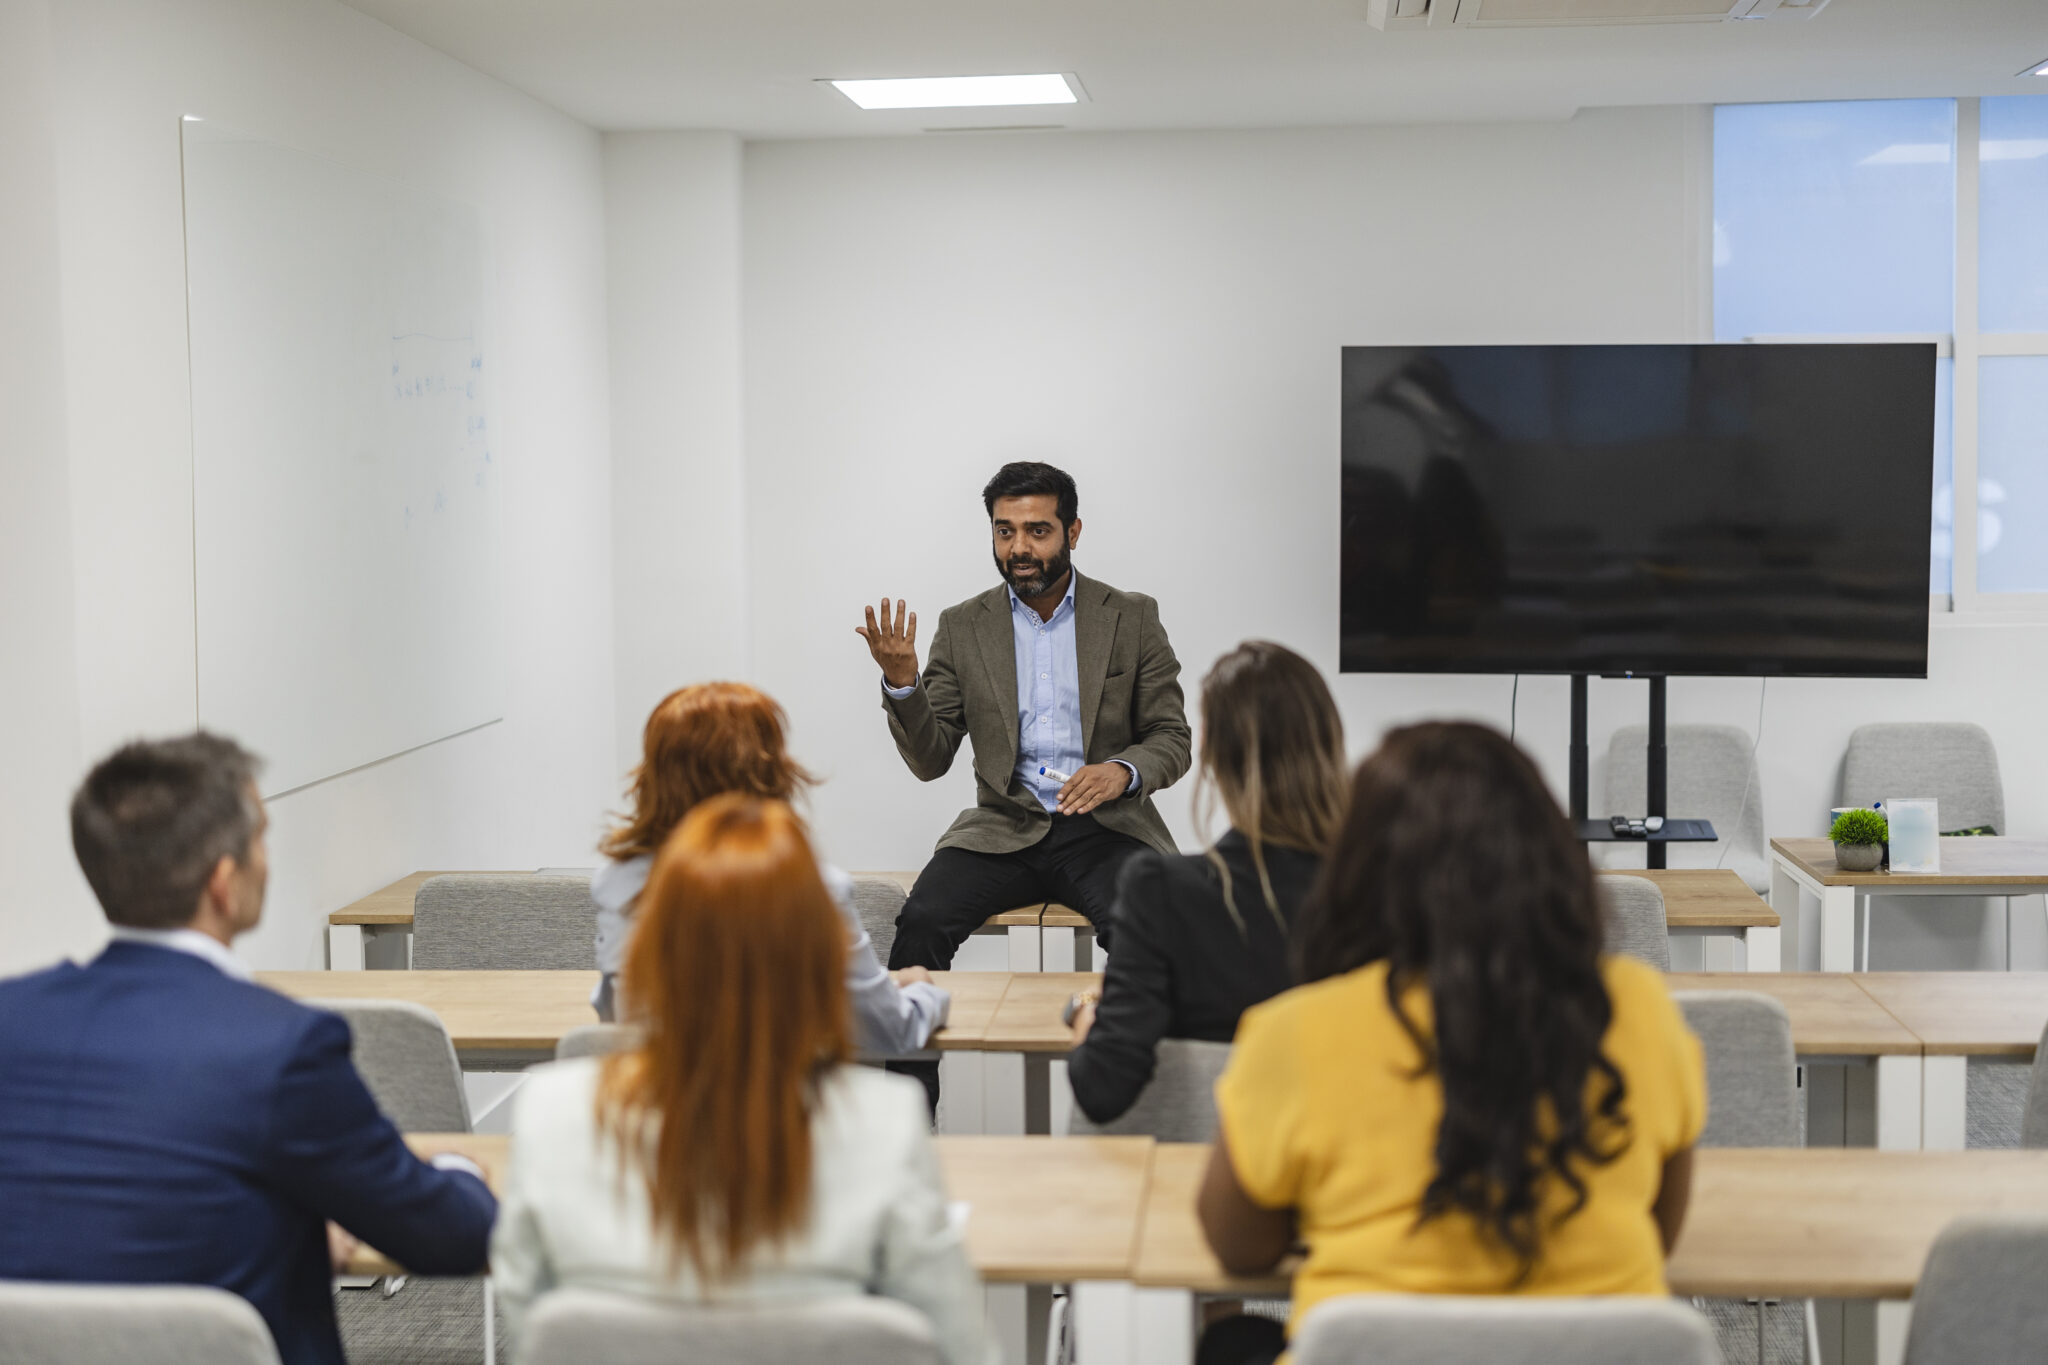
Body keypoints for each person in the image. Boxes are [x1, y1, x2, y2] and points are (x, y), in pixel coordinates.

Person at [1197, 723, 1705, 1365]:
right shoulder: (1639, 1008)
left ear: (1360, 869)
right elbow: (1658, 1234)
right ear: (1547, 858)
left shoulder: (1294, 1032)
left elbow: (1239, 1250)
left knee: (1232, 1341)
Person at [0, 733, 496, 1365]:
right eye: (261, 836)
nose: (269, 857)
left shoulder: (11, 1019)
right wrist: (464, 1171)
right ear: (224, 883)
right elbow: (450, 1237)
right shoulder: (281, 1047)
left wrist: (280, 1233)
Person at [494, 796, 990, 1364]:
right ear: (816, 959)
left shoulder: (552, 1110)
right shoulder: (883, 1120)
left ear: (653, 946)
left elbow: (531, 1326)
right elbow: (955, 1345)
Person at [857, 462, 1191, 1098]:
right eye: (1004, 532)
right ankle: (904, 1117)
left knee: (1149, 932)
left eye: (1038, 531)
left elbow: (1173, 739)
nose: (1019, 549)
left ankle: (1135, 1105)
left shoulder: (1131, 616)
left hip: (1106, 830)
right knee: (921, 923)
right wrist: (902, 683)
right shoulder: (963, 626)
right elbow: (931, 759)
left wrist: (1122, 772)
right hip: (1001, 829)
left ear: (1073, 530)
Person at [1065, 641, 1345, 1126]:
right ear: (1329, 748)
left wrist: (1088, 1010)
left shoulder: (1160, 891)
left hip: (1195, 1181)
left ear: (1213, 761)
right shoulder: (1378, 893)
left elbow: (1102, 1088)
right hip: (1340, 1180)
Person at [593, 681, 948, 1053]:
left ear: (656, 775)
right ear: (767, 770)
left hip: (651, 1107)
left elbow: (617, 1018)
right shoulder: (814, 888)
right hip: (780, 1108)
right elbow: (888, 1030)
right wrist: (923, 991)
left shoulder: (618, 883)